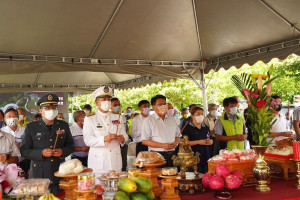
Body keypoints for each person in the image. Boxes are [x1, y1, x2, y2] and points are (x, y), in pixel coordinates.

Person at [20, 94, 74, 194]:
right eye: (47, 108)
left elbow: (70, 146)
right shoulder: (31, 127)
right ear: (41, 111)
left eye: (54, 108)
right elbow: (24, 151)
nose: (51, 110)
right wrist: (41, 153)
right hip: (39, 173)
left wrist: (62, 151)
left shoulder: (63, 125)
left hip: (59, 172)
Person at [83, 86, 128, 177]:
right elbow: (88, 140)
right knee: (99, 189)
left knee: (117, 189)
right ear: (97, 103)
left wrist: (122, 139)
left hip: (115, 160)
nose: (107, 102)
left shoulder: (118, 117)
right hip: (99, 162)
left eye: (108, 99)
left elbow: (125, 135)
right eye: (104, 99)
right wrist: (103, 139)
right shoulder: (90, 118)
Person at [141, 95, 180, 167]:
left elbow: (178, 136)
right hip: (156, 156)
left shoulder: (172, 119)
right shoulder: (149, 120)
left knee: (173, 176)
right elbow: (145, 141)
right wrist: (162, 145)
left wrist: (176, 142)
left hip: (173, 155)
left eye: (164, 104)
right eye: (159, 104)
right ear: (153, 107)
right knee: (159, 177)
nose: (163, 106)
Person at [182, 107, 213, 173]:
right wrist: (198, 142)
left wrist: (211, 141)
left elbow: (210, 138)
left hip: (206, 156)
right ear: (192, 116)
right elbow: (184, 142)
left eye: (202, 114)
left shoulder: (205, 126)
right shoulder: (187, 127)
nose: (200, 116)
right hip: (193, 158)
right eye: (198, 114)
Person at [111, 97, 128, 171]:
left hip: (123, 144)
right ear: (110, 106)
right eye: (115, 105)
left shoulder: (122, 117)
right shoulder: (107, 118)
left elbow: (125, 133)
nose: (117, 106)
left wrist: (123, 139)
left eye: (118, 104)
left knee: (123, 165)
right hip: (112, 145)